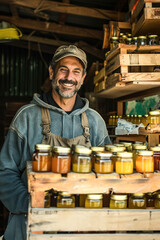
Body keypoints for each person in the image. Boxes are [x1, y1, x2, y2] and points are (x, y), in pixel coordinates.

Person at [0, 45, 111, 240]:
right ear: (52, 72)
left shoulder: (94, 122)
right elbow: (5, 172)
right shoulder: (26, 117)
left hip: (80, 225)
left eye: (76, 71)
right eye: (63, 69)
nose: (69, 77)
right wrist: (30, 203)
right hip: (30, 223)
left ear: (83, 78)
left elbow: (108, 176)